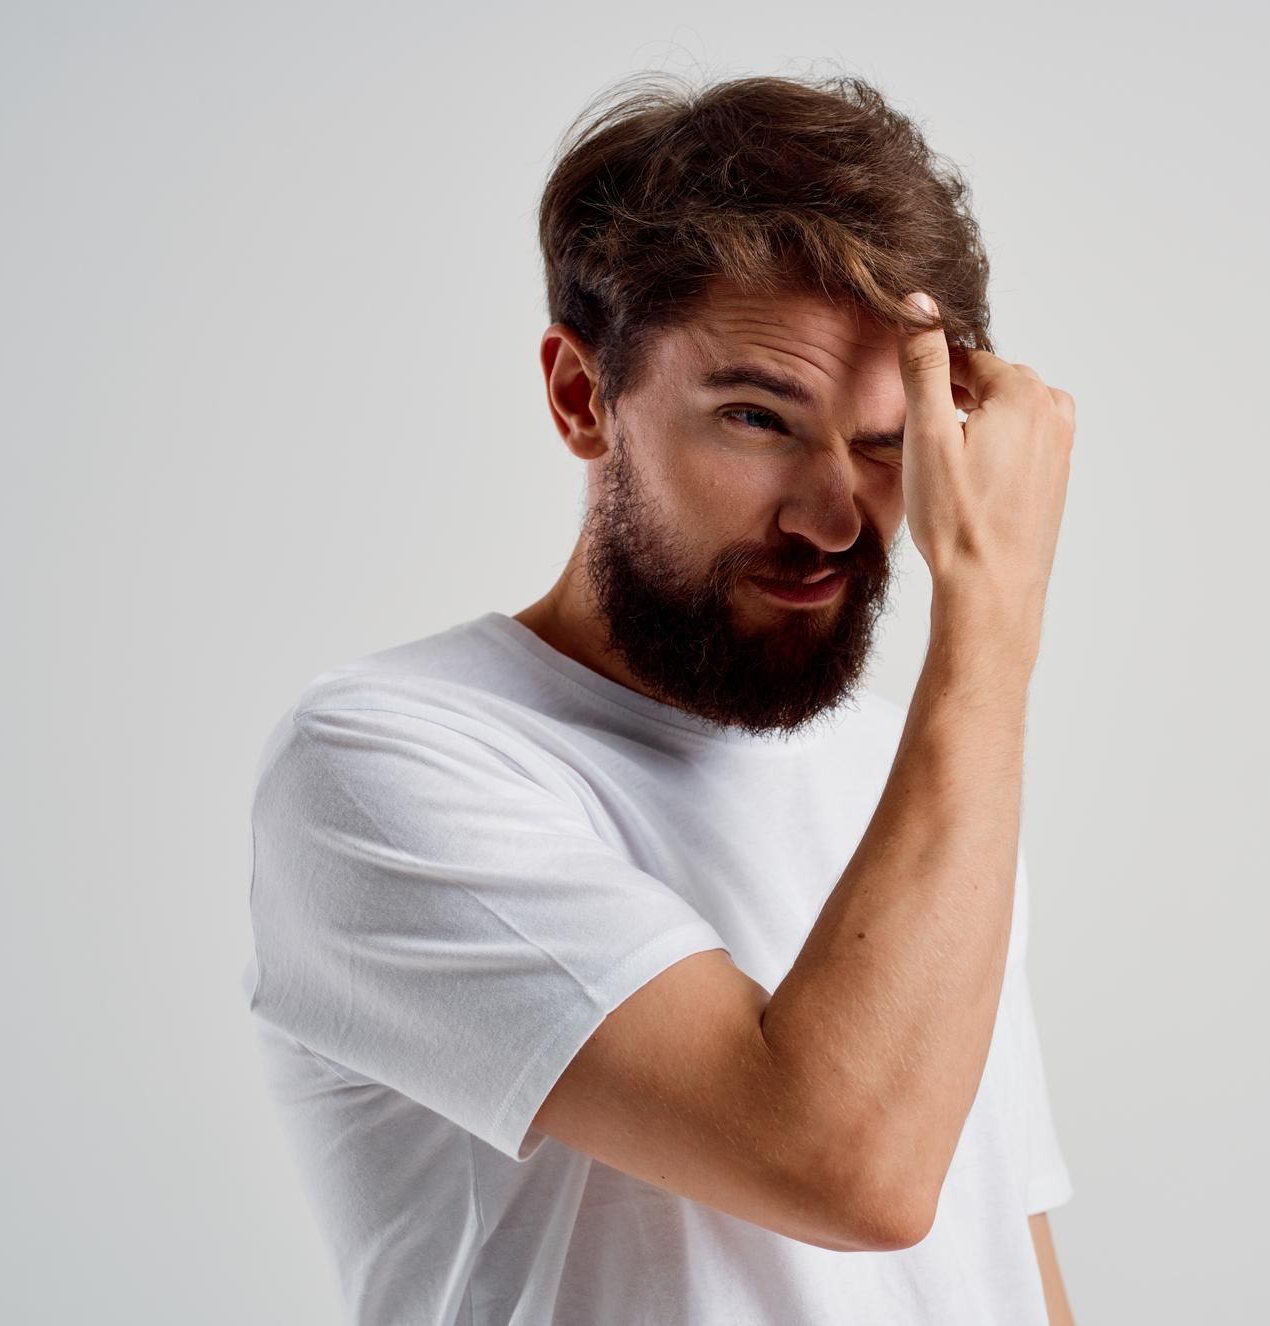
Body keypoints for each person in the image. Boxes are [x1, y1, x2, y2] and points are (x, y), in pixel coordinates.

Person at [240, 69, 1078, 1325]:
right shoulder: (387, 764)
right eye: (757, 417)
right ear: (583, 396)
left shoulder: (920, 771)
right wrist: (992, 619)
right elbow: (844, 1165)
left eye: (886, 442)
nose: (834, 517)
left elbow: (993, 1250)